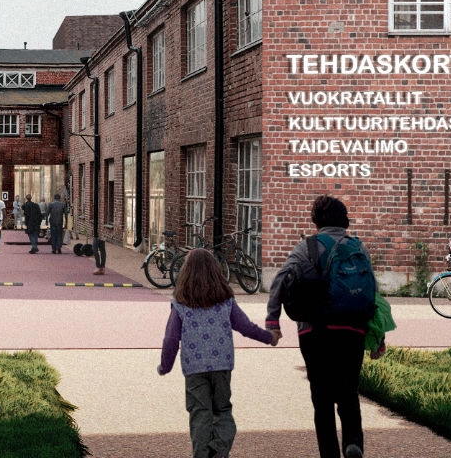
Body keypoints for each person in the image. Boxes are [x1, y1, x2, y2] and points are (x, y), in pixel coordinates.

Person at [264, 194, 377, 458]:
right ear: (344, 219)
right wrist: (378, 337)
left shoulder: (308, 247)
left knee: (322, 397)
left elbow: (281, 280)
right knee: (349, 391)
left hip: (315, 331)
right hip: (353, 330)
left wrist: (273, 320)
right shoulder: (359, 248)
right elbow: (372, 294)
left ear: (315, 220)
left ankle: (329, 453)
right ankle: (353, 443)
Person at [159, 246, 279, 458]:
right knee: (223, 410)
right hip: (222, 366)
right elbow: (246, 327)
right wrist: (269, 337)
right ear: (216, 271)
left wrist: (165, 366)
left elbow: (171, 339)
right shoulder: (225, 301)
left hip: (194, 369)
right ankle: (219, 447)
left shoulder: (181, 304)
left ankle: (202, 454)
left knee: (200, 414)